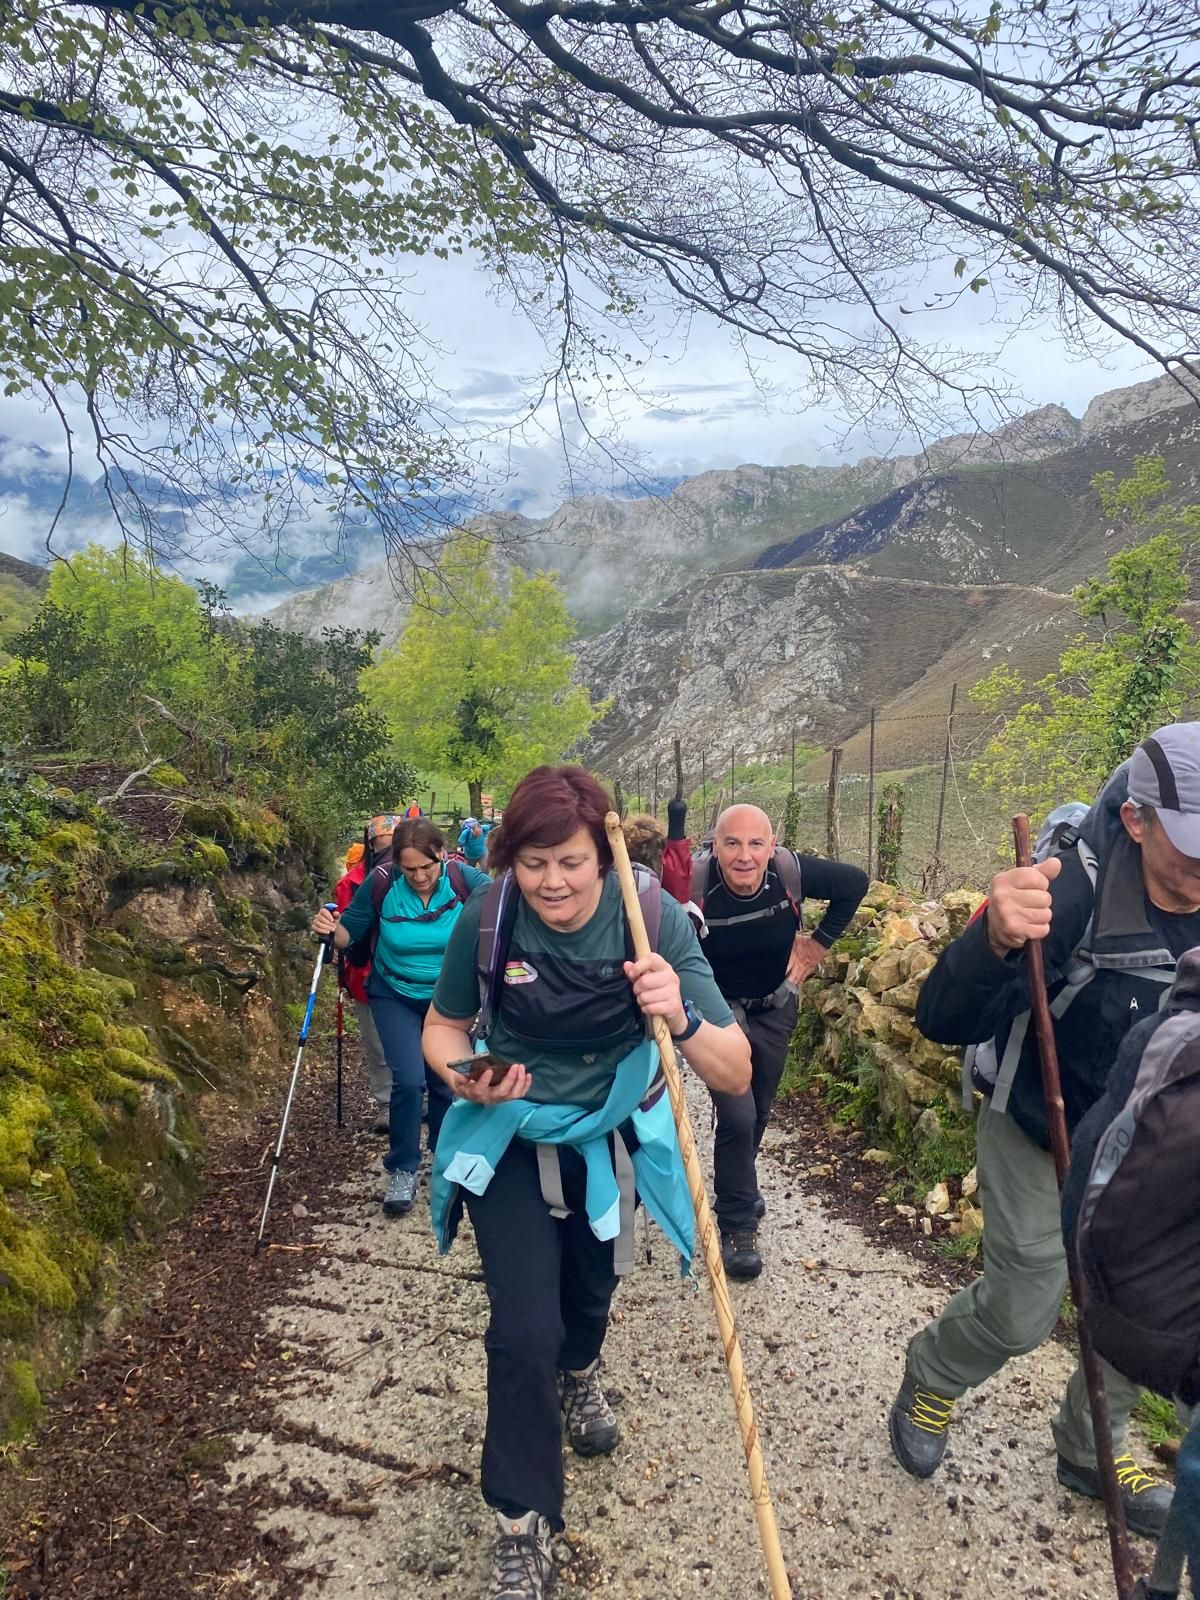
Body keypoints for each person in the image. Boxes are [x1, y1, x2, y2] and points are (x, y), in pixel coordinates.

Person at [421, 765, 750, 1600]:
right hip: (513, 1139)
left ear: (601, 856)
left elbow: (735, 1070)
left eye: (569, 860)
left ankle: (581, 1369)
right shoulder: (488, 916)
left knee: (586, 1299)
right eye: (533, 863)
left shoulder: (651, 920)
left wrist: (677, 1012)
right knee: (521, 1329)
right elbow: (445, 1028)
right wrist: (467, 1078)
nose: (552, 881)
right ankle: (522, 1523)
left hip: (610, 1140)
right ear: (510, 862)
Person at [887, 724, 1200, 1538]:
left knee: (1139, 1302)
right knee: (1026, 1305)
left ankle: (1094, 1451)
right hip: (1037, 1121)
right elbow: (942, 1018)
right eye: (1191, 846)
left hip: (1147, 1142)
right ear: (1136, 820)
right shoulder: (1070, 892)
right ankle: (933, 1373)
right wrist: (992, 936)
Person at [690, 802, 868, 1280]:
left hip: (775, 1003)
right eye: (732, 843)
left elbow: (855, 884)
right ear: (715, 847)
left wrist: (817, 944)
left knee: (761, 1107)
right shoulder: (693, 884)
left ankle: (737, 1183)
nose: (744, 856)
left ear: (772, 846)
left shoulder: (790, 872)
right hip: (717, 1013)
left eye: (755, 844)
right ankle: (738, 1223)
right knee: (738, 1111)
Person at [312, 818, 490, 1217]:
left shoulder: (466, 881)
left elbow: (504, 908)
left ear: (442, 856)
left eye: (427, 867)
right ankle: (403, 1167)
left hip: (449, 1001)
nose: (420, 877)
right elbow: (347, 935)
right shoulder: (381, 883)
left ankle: (447, 1160)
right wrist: (330, 927)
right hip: (393, 994)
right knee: (408, 1080)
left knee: (447, 1081)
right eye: (409, 869)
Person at [332, 824, 393, 1133]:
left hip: (411, 975)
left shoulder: (417, 874)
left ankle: (417, 1096)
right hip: (366, 974)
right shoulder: (352, 883)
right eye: (383, 845)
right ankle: (386, 1103)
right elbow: (344, 932)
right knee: (377, 1042)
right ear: (371, 845)